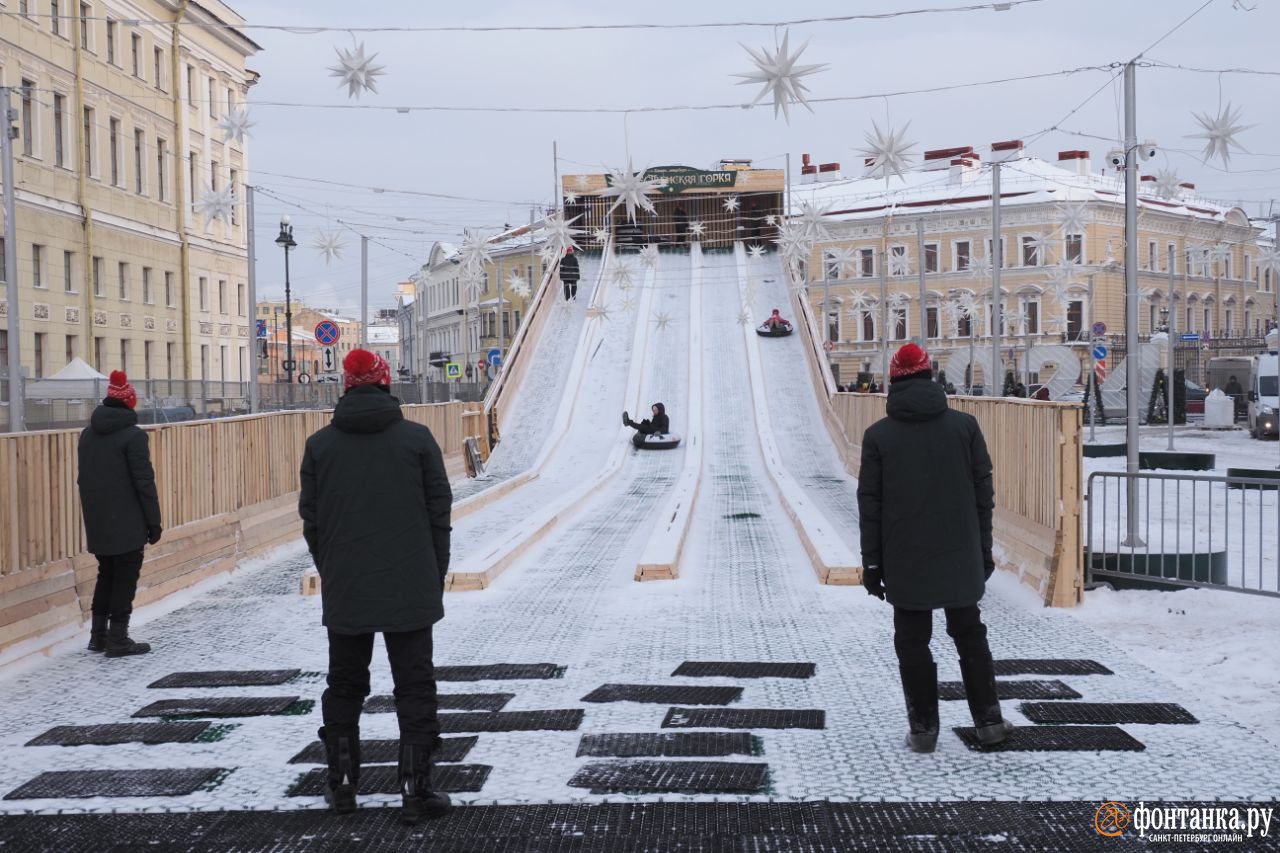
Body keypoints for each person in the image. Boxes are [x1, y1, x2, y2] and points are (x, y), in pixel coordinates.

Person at [299, 349, 453, 824]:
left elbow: (312, 522)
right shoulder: (418, 440)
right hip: (411, 581)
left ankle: (343, 784)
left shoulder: (320, 446)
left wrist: (335, 570)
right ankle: (415, 788)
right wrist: (433, 572)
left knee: (345, 684)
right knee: (414, 684)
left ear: (345, 386)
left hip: (347, 586)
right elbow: (439, 515)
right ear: (385, 383)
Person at [856, 343, 1011, 753]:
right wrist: (983, 550)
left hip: (904, 556)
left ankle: (923, 729)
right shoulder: (965, 427)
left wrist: (871, 563)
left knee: (912, 640)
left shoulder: (878, 437)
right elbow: (984, 495)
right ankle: (989, 722)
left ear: (893, 383)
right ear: (932, 377)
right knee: (969, 634)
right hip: (959, 551)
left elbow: (869, 504)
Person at [78, 370, 163, 658]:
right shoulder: (133, 437)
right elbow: (144, 482)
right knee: (125, 578)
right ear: (129, 403)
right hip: (127, 522)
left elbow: (84, 479)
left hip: (99, 521)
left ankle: (98, 636)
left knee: (106, 574)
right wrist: (154, 522)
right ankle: (118, 639)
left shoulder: (87, 434)